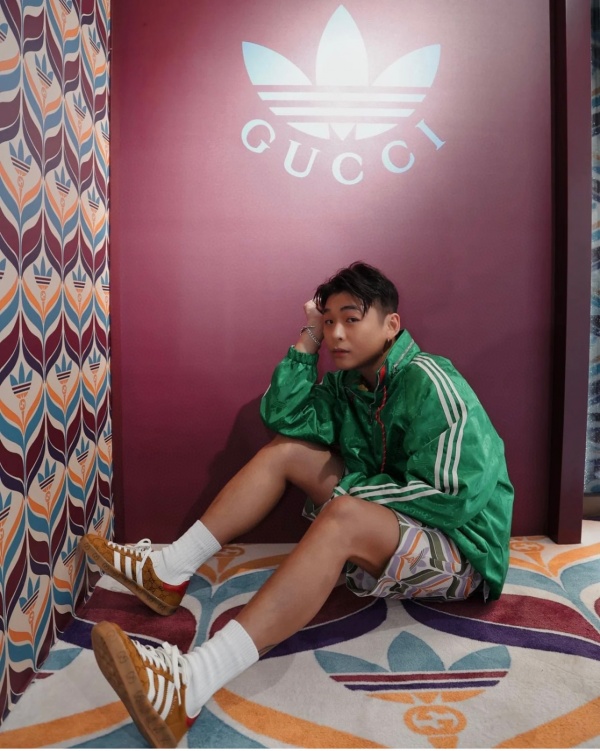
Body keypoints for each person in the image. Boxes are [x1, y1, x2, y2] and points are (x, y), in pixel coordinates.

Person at [80, 261, 514, 749]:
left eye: (351, 319)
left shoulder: (429, 379)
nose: (336, 334)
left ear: (391, 324)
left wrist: (348, 495)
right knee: (287, 451)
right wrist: (307, 334)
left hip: (463, 549)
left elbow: (453, 494)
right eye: (328, 321)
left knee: (343, 515)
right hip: (395, 520)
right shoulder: (348, 386)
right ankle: (170, 569)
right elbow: (283, 414)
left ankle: (193, 681)